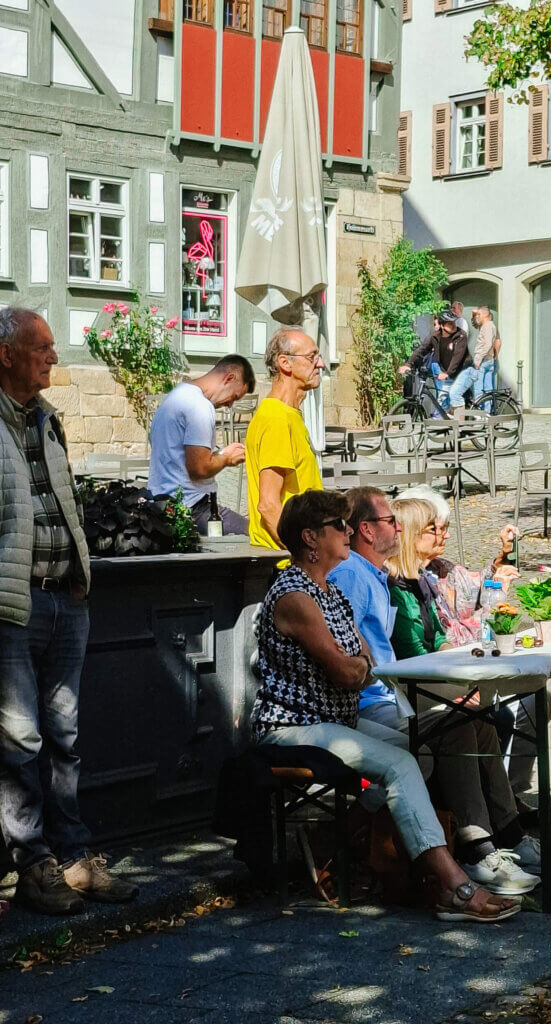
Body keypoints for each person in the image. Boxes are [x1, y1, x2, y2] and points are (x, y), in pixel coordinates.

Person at [251, 489, 520, 922]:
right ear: (310, 538)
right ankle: (455, 886)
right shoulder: (296, 595)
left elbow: (365, 661)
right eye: (337, 526)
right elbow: (348, 670)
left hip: (337, 716)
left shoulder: (328, 593)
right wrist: (355, 663)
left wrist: (356, 663)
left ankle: (331, 843)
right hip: (294, 724)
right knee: (400, 762)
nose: (346, 531)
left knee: (424, 748)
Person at [0, 307, 138, 915]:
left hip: (65, 597)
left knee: (64, 735)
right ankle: (33, 866)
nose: (54, 357)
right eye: (43, 347)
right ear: (6, 354)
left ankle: (75, 858)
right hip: (14, 602)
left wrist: (79, 578)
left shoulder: (48, 420)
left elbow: (62, 504)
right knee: (20, 737)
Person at [383, 496, 551, 888]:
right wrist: (454, 685)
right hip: (405, 693)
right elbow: (412, 654)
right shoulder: (395, 588)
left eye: (443, 528)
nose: (443, 535)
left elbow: (440, 637)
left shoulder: (424, 580)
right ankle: (477, 849)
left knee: (483, 723)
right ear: (408, 537)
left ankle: (510, 836)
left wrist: (459, 678)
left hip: (436, 683)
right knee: (460, 724)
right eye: (434, 529)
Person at [148, 355, 255, 536]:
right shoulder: (200, 406)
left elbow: (179, 456)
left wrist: (218, 454)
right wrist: (227, 458)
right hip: (192, 507)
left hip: (163, 504)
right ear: (229, 378)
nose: (230, 405)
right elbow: (199, 469)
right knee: (256, 536)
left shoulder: (175, 396)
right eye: (234, 397)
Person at [245, 328, 324, 549]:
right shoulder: (276, 418)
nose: (320, 364)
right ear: (285, 363)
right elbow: (268, 505)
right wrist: (308, 554)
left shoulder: (288, 415)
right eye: (311, 357)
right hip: (289, 564)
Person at [397, 310, 470, 414]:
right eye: (450, 323)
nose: (454, 325)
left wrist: (447, 373)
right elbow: (422, 349)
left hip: (463, 370)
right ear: (442, 325)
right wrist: (408, 364)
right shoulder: (435, 336)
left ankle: (459, 426)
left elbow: (457, 358)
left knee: (454, 395)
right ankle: (445, 421)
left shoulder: (460, 335)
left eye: (454, 322)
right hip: (449, 371)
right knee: (443, 398)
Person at [470, 306, 500, 399]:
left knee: (478, 388)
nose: (477, 317)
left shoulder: (487, 326)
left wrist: (479, 359)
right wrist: (494, 356)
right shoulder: (491, 326)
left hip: (482, 360)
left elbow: (488, 344)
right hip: (489, 360)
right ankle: (487, 411)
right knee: (488, 389)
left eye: (479, 314)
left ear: (485, 315)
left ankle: (478, 411)